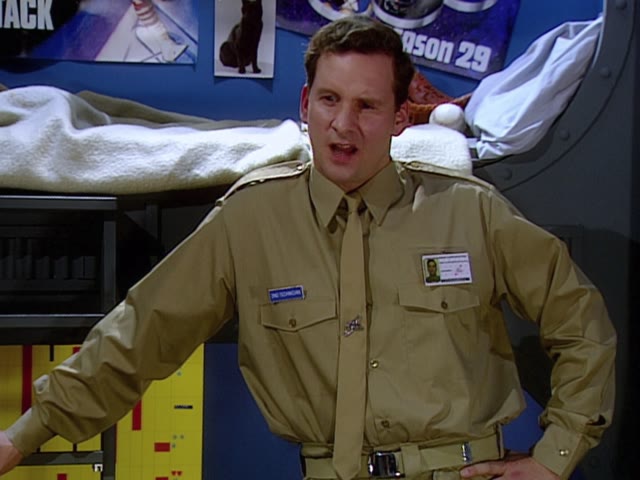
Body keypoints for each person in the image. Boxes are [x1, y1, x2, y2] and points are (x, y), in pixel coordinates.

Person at [0, 15, 616, 480]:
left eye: (367, 106)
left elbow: (581, 321)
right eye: (329, 100)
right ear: (305, 104)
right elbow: (141, 335)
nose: (343, 125)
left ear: (400, 118)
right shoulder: (250, 219)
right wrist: (20, 438)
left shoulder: (470, 211)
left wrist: (553, 456)